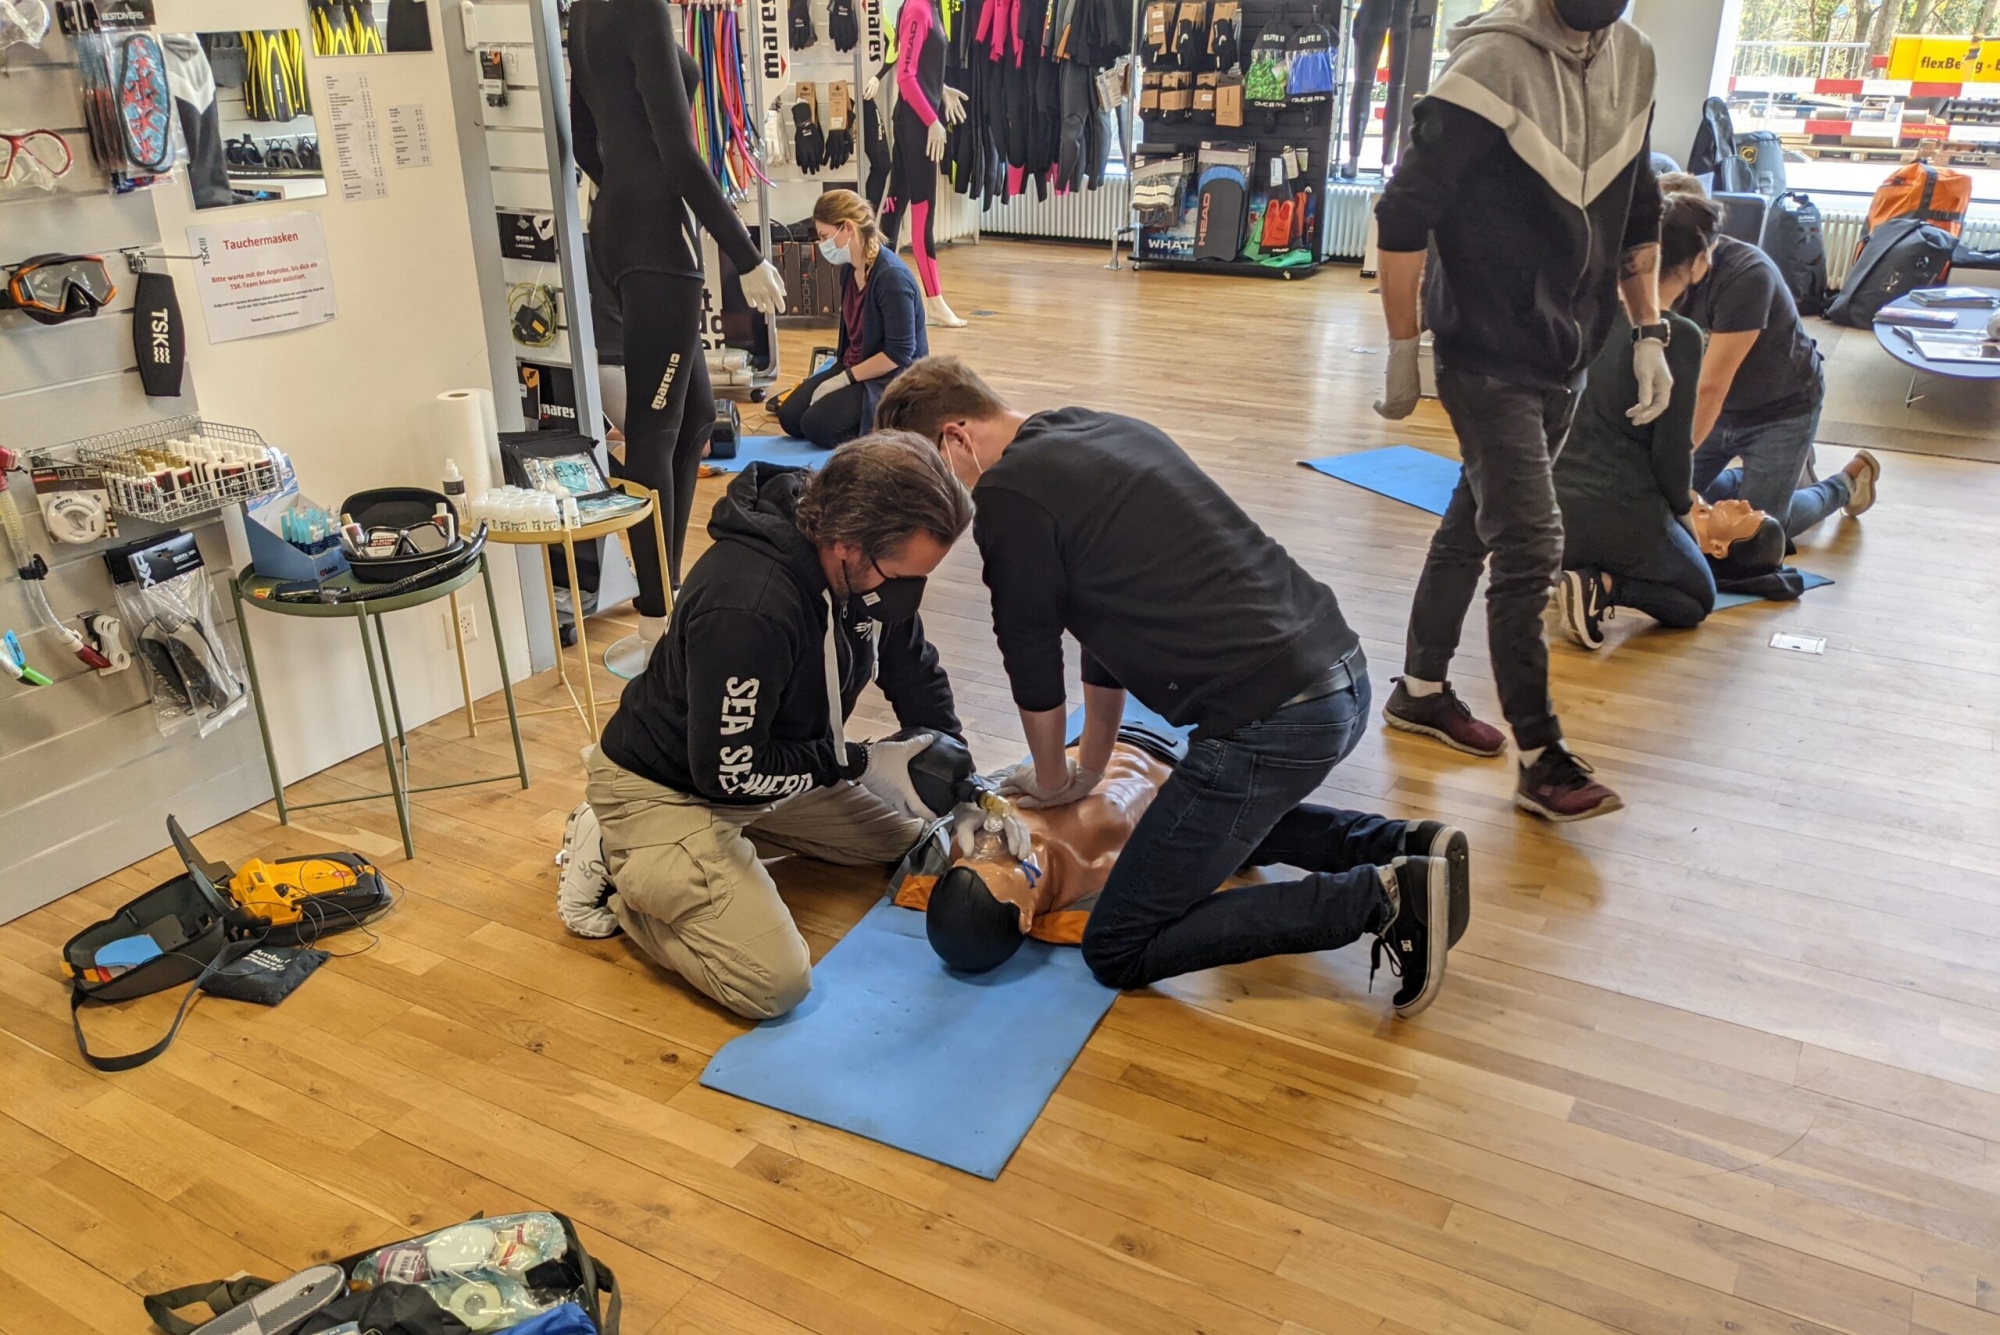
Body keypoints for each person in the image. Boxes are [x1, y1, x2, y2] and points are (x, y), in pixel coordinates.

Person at [877, 357, 1471, 1019]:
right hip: (1339, 674)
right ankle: (1408, 845)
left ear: (955, 437)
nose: (937, 501)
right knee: (1198, 831)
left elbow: (1031, 656)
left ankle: (1385, 895)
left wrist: (1049, 777)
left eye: (933, 473)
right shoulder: (1094, 428)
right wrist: (1089, 767)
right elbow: (1102, 627)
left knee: (1119, 944)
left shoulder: (1010, 496)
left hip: (1275, 720)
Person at [557, 435, 974, 1019]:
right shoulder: (748, 608)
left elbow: (913, 671)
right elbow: (730, 774)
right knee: (774, 985)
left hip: (771, 764)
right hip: (674, 786)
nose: (909, 590)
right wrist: (856, 763)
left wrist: (956, 772)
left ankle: (700, 862)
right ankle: (622, 868)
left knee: (915, 838)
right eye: (901, 573)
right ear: (847, 545)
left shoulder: (864, 573)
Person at [1371, 0, 1665, 823]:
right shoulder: (1490, 65)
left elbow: (1638, 206)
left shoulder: (1633, 60)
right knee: (1531, 542)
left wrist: (1648, 330)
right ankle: (1541, 755)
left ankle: (1420, 692)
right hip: (1485, 352)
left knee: (1475, 521)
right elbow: (1401, 211)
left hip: (1569, 349)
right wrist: (1404, 345)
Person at [569, 0, 787, 638]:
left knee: (693, 420)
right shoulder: (641, 9)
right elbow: (680, 153)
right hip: (660, 244)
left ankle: (667, 580)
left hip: (621, 224)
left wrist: (626, 194)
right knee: (654, 430)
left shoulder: (584, 11)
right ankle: (653, 614)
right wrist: (746, 257)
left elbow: (584, 134)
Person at [1660, 178, 1882, 538]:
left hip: (1779, 408)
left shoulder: (1746, 274)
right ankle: (1768, 476)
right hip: (1713, 410)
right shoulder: (1650, 265)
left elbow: (1711, 387)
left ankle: (1845, 484)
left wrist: (1669, 466)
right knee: (1666, 505)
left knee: (1759, 532)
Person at [1551, 193, 1714, 650]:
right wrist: (1685, 515)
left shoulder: (1579, 309)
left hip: (1547, 504)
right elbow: (1671, 448)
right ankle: (1601, 587)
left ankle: (1565, 574)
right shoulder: (1677, 335)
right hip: (1616, 509)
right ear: (1699, 261)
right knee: (1696, 600)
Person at [776, 191, 929, 449]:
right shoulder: (849, 269)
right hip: (856, 364)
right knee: (790, 417)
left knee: (816, 425)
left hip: (891, 375)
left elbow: (899, 354)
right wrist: (840, 373)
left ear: (848, 227)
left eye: (824, 236)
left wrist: (846, 378)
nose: (821, 244)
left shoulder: (891, 278)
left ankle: (892, 424)